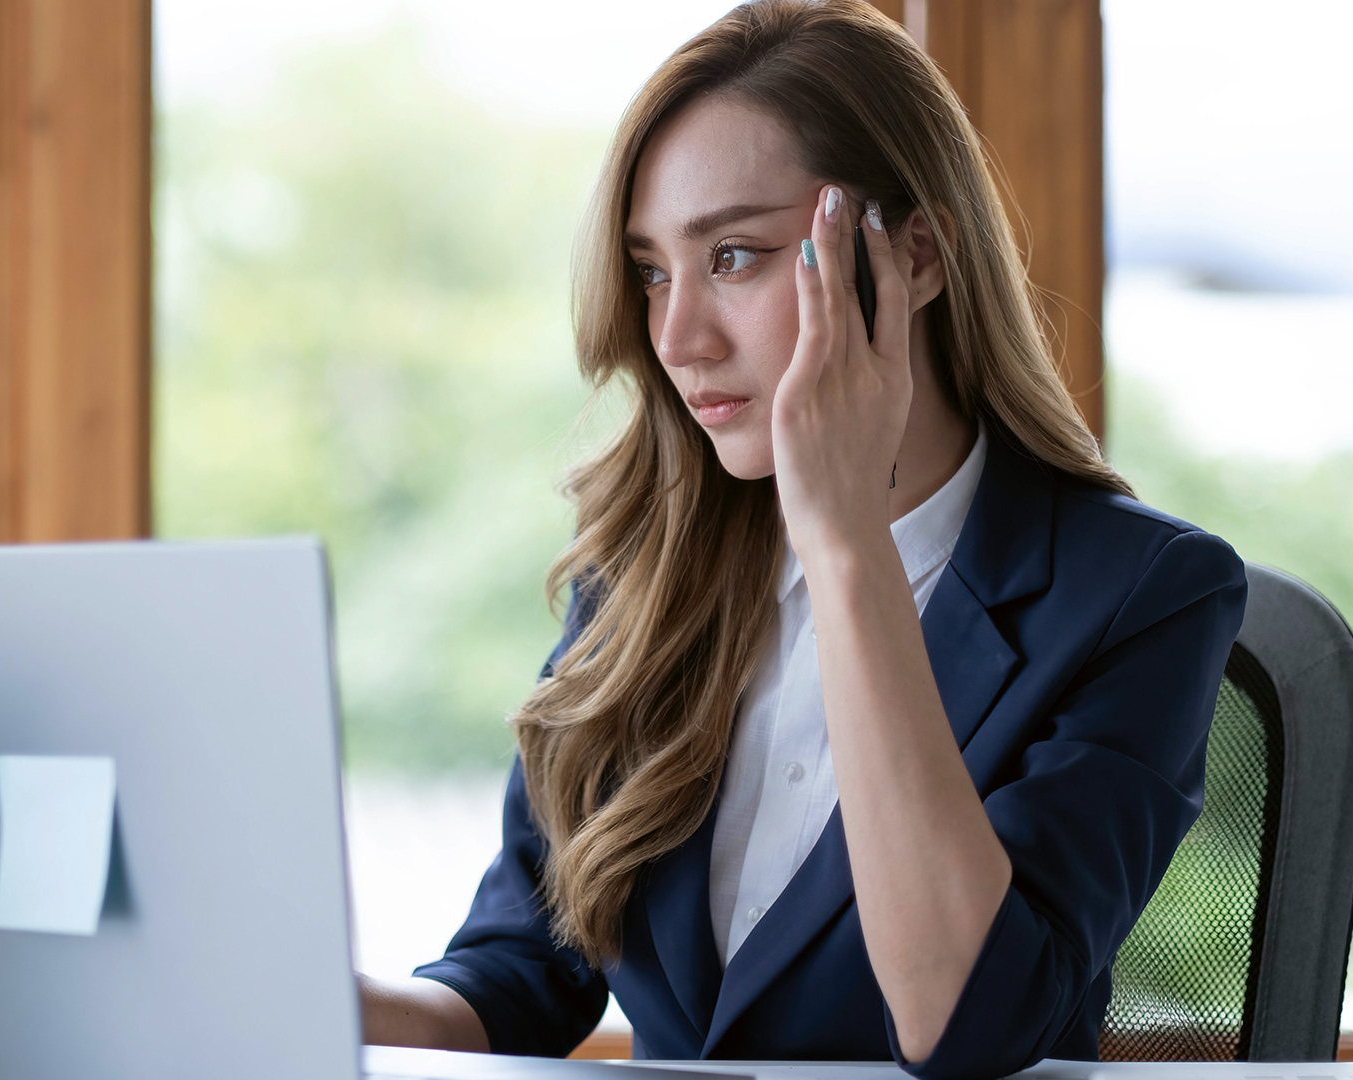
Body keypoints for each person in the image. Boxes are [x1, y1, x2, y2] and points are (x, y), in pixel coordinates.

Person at [359, 2, 1245, 1077]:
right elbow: (520, 975)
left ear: (914, 256)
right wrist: (300, 989)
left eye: (733, 255)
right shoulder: (647, 572)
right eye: (652, 271)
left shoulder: (1141, 594)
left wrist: (845, 548)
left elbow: (969, 1023)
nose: (679, 337)